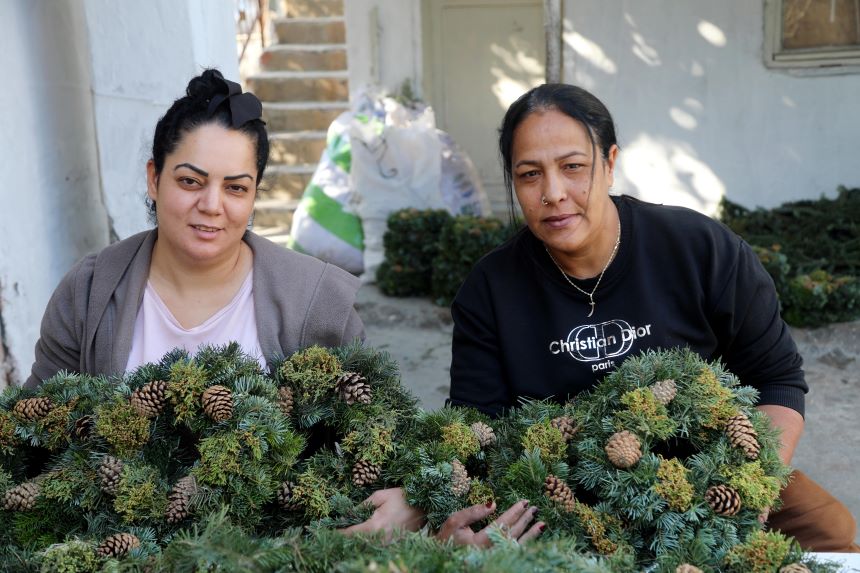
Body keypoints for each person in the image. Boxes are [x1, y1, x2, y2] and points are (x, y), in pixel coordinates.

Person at [446, 83, 858, 552]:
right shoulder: (489, 290)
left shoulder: (700, 249)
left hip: (714, 482)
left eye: (573, 167)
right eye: (529, 174)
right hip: (568, 505)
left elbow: (778, 378)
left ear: (610, 164)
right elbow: (475, 431)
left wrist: (752, 485)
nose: (554, 193)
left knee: (833, 534)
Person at [24, 68, 422, 536]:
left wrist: (404, 499)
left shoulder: (317, 302)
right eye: (191, 181)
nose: (212, 205)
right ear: (154, 179)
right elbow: (33, 430)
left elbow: (380, 433)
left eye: (236, 187)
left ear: (253, 195)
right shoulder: (89, 293)